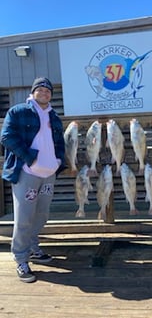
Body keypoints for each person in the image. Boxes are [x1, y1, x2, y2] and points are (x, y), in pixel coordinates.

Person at [1, 77, 66, 283]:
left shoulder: (54, 116)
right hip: (27, 172)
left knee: (42, 214)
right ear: (33, 92)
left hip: (49, 174)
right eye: (40, 89)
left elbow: (60, 143)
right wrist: (30, 157)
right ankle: (21, 258)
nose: (45, 93)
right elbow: (7, 137)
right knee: (24, 217)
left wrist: (58, 161)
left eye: (48, 91)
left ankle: (32, 247)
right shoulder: (18, 111)